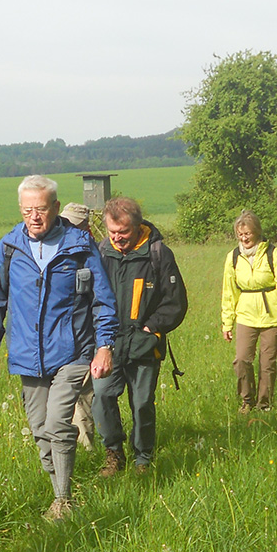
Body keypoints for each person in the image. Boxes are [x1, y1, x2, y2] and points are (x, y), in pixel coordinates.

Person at [0, 176, 117, 521]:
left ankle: (63, 499)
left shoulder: (80, 246)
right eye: (27, 210)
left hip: (72, 352)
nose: (34, 217)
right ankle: (60, 489)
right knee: (40, 429)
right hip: (28, 356)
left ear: (55, 208)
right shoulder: (9, 247)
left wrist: (105, 346)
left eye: (41, 209)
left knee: (57, 422)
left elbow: (103, 300)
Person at [91, 197, 188, 475]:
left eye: (123, 232)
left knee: (142, 402)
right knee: (102, 396)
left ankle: (143, 458)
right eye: (112, 233)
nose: (117, 239)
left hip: (146, 344)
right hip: (108, 343)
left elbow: (175, 302)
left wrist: (152, 327)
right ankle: (114, 454)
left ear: (137, 226)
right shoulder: (101, 253)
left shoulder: (157, 253)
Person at [221, 209, 277, 414]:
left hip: (272, 317)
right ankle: (247, 400)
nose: (244, 238)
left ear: (257, 232)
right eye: (240, 235)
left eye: (248, 234)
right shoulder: (233, 257)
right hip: (245, 316)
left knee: (267, 363)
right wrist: (227, 323)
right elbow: (229, 292)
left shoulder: (274, 255)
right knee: (242, 359)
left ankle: (264, 404)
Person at [60, 203, 98, 451]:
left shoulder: (97, 255)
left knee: (85, 394)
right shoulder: (59, 251)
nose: (66, 229)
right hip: (63, 337)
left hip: (89, 337)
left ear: (86, 228)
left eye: (72, 225)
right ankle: (65, 445)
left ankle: (87, 448)